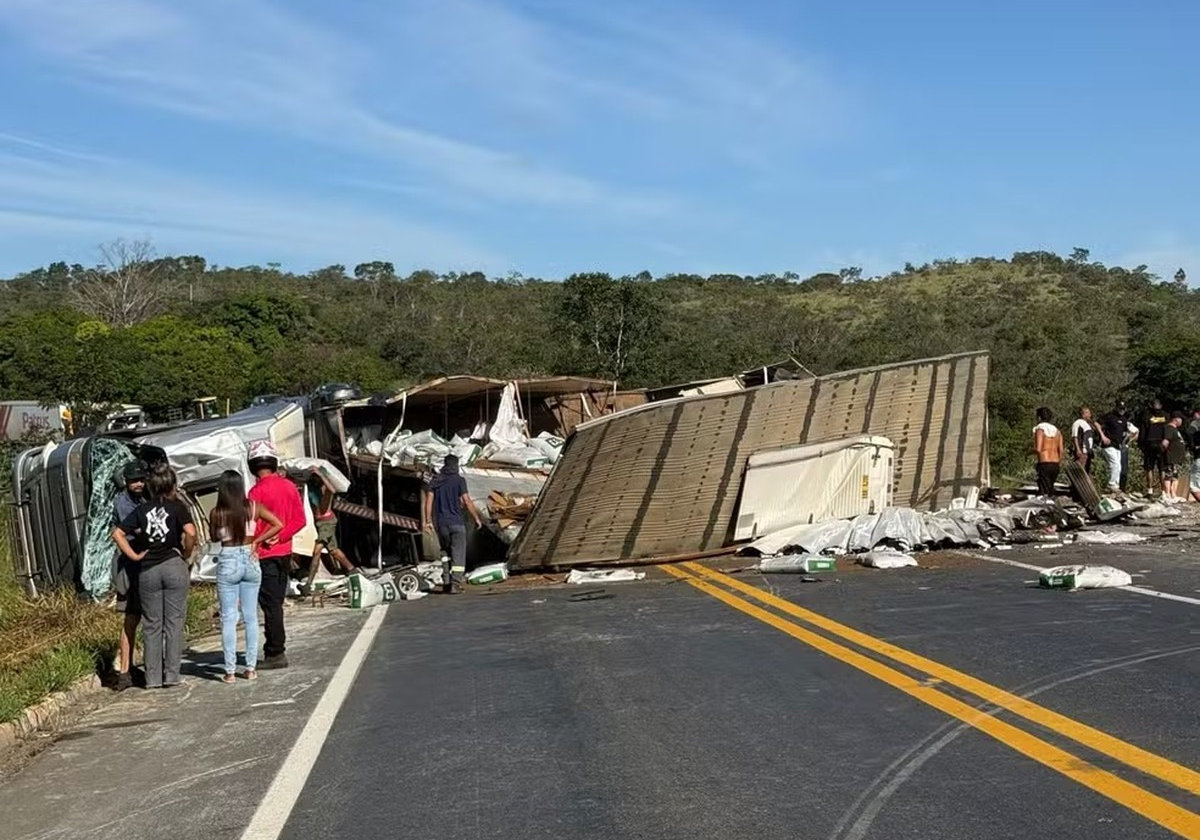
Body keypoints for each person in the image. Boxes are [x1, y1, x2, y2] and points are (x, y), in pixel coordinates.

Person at [112, 465, 196, 689]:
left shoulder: (140, 511)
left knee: (151, 624)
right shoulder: (177, 507)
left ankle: (152, 679)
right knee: (174, 623)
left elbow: (117, 533)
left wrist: (134, 555)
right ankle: (171, 675)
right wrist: (186, 553)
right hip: (172, 564)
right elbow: (191, 532)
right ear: (171, 485)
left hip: (147, 569)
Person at [210, 470, 283, 684]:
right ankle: (250, 668)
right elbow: (278, 523)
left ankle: (230, 671)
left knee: (229, 618)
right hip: (250, 557)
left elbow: (214, 536)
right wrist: (258, 540)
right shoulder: (253, 507)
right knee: (251, 617)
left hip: (229, 559)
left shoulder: (217, 512)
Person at [246, 440, 305, 670]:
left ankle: (275, 652)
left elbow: (251, 527)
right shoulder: (289, 486)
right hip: (284, 553)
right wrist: (281, 537)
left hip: (263, 555)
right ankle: (275, 649)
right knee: (277, 603)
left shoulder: (255, 492)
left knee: (270, 606)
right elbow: (300, 520)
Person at [422, 454, 483, 594]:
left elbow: (429, 502)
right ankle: (455, 583)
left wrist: (427, 521)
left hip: (441, 524)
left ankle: (446, 581)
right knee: (458, 553)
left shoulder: (436, 480)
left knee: (445, 553)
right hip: (456, 523)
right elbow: (466, 500)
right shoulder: (459, 480)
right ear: (455, 465)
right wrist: (476, 518)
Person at [112, 462, 146, 692]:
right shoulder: (123, 502)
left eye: (141, 479)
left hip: (144, 565)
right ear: (125, 481)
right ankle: (124, 672)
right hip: (129, 565)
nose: (139, 484)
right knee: (131, 618)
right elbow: (133, 529)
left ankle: (133, 668)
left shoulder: (143, 499)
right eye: (134, 480)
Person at [304, 469, 359, 593]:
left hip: (327, 523)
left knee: (317, 550)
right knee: (333, 550)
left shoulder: (326, 491)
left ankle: (308, 584)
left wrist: (321, 474)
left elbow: (332, 490)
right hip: (321, 523)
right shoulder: (311, 490)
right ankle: (352, 570)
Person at [1100, 402, 1134, 493]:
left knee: (1119, 466)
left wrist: (1127, 438)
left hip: (1118, 446)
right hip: (1108, 445)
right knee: (1115, 464)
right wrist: (1103, 436)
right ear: (1116, 408)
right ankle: (1111, 484)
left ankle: (1116, 485)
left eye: (1123, 409)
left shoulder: (1124, 419)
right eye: (1120, 408)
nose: (1122, 410)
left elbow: (1126, 432)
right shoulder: (1109, 417)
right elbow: (1097, 423)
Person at [1033, 407, 1063, 496]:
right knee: (1050, 489)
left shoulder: (1040, 429)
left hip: (1044, 462)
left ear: (1039, 417)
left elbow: (1038, 449)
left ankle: (1044, 507)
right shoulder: (1057, 431)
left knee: (1044, 491)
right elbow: (1061, 450)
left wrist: (1027, 452)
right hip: (1055, 463)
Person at [1141, 399, 1168, 495]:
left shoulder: (1147, 416)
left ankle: (1150, 490)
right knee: (1162, 468)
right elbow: (1168, 430)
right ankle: (1164, 491)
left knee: (1149, 468)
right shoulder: (1166, 416)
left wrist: (1142, 446)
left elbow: (1143, 433)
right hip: (1162, 444)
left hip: (1150, 444)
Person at [1070, 406, 1104, 475]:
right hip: (1082, 449)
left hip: (1088, 451)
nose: (1089, 415)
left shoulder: (1089, 424)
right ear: (1083, 414)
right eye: (1087, 413)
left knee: (1087, 470)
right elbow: (1075, 436)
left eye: (1089, 413)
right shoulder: (1078, 423)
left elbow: (1099, 427)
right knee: (1080, 470)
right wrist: (1078, 449)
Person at [1162, 413, 1188, 502]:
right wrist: (1163, 451)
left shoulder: (1175, 429)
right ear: (1176, 419)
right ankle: (1167, 494)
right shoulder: (1169, 428)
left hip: (1177, 458)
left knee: (1175, 476)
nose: (1182, 421)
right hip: (1171, 457)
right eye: (1180, 419)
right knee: (1169, 475)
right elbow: (1165, 441)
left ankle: (1174, 494)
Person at [1187, 410, 1200, 503]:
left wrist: (1193, 447)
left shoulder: (1196, 423)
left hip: (1199, 456)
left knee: (1194, 485)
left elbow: (1189, 432)